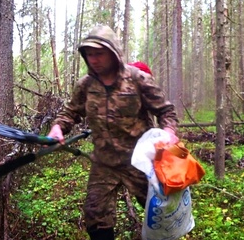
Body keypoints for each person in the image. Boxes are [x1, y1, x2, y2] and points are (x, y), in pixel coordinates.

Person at [47, 25, 178, 240]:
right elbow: (70, 112)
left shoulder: (137, 78)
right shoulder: (86, 85)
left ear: (114, 53)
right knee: (95, 215)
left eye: (99, 54)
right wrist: (57, 127)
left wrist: (169, 132)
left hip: (139, 161)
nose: (94, 59)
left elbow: (166, 110)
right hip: (104, 163)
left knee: (160, 214)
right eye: (90, 55)